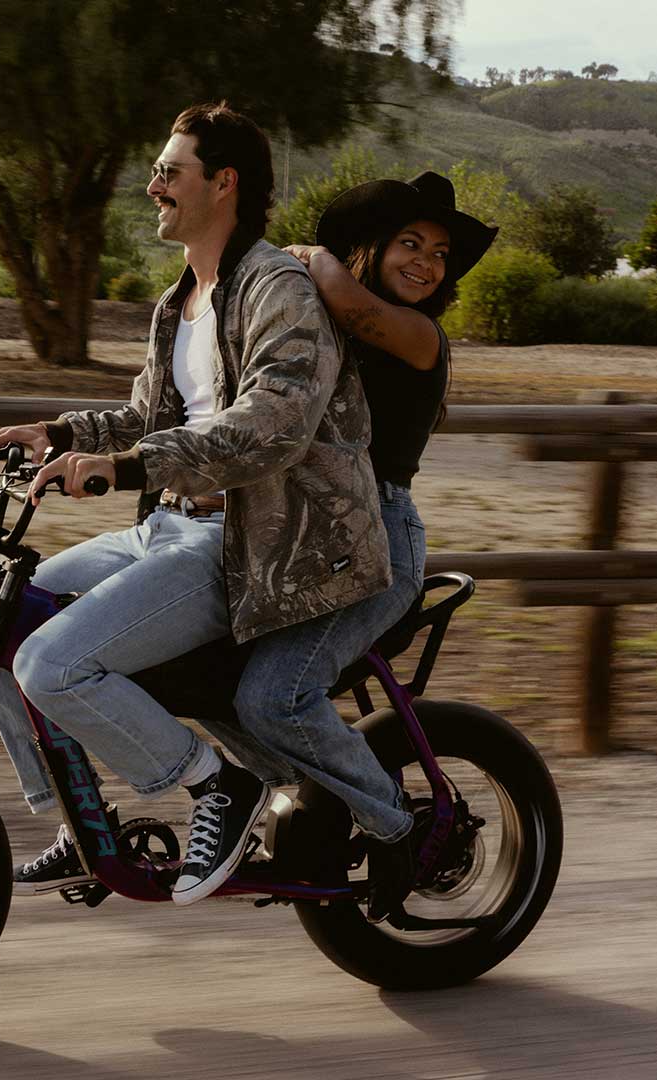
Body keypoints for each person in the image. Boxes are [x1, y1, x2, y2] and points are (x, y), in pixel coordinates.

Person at [0, 103, 391, 906]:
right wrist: (54, 432)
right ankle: (78, 816)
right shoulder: (181, 302)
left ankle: (215, 788)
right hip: (169, 526)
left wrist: (127, 468)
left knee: (51, 664)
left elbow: (274, 421)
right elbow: (146, 417)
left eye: (171, 170)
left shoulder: (277, 287)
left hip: (249, 541)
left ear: (223, 183)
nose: (154, 184)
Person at [222, 170, 499, 922]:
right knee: (211, 684)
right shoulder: (324, 329)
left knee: (273, 697)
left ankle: (399, 830)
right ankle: (303, 811)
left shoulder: (419, 336)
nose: (427, 262)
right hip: (299, 540)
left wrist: (308, 256)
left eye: (440, 253)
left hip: (379, 544)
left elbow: (347, 301)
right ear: (371, 249)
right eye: (411, 243)